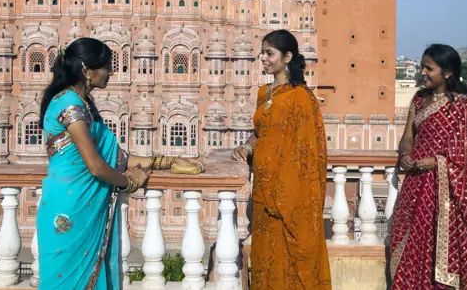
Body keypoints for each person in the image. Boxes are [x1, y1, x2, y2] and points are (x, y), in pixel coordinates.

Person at [37, 37, 200, 290]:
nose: (111, 72)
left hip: (80, 201)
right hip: (70, 207)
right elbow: (96, 166)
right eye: (106, 66)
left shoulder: (84, 105)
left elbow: (117, 158)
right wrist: (131, 182)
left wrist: (167, 161)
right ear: (86, 71)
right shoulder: (69, 105)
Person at [390, 44, 467, 290]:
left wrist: (436, 162)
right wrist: (405, 153)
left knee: (441, 247)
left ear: (447, 72)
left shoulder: (462, 105)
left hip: (447, 192)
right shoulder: (419, 99)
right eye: (422, 67)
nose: (422, 72)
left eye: (429, 68)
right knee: (413, 245)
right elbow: (408, 136)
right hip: (417, 185)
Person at [232, 30, 331, 290]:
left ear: (287, 57)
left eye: (269, 53)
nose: (263, 59)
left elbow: (310, 152)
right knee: (265, 258)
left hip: (288, 196)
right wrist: (247, 147)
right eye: (262, 53)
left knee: (290, 261)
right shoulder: (264, 92)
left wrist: (285, 192)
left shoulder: (301, 99)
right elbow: (261, 133)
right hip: (263, 192)